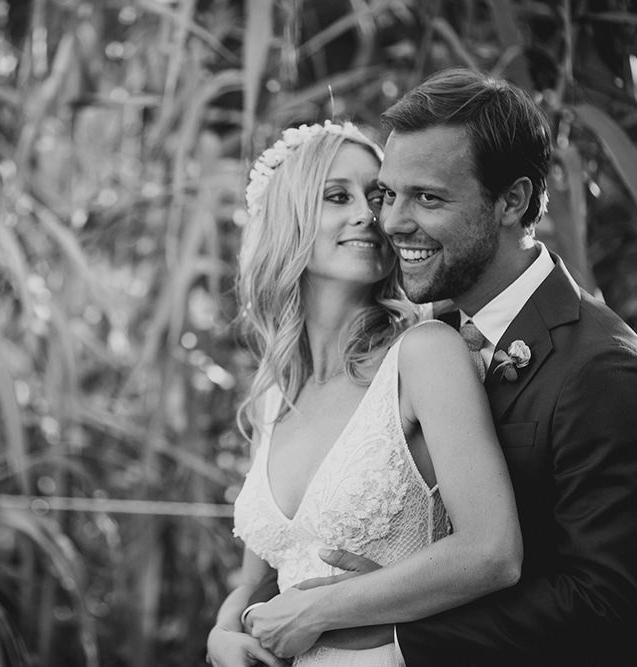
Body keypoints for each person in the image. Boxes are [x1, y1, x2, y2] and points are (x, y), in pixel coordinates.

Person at [242, 69, 637, 666]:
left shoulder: (600, 365)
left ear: (513, 201)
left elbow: (609, 603)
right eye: (389, 194)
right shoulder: (428, 335)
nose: (392, 222)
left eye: (427, 197)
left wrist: (381, 630)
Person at [205, 119, 523, 667]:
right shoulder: (274, 397)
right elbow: (258, 582)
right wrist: (220, 634)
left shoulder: (425, 356)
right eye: (336, 196)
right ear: (288, 220)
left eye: (377, 196)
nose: (369, 214)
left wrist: (321, 612)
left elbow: (493, 552)